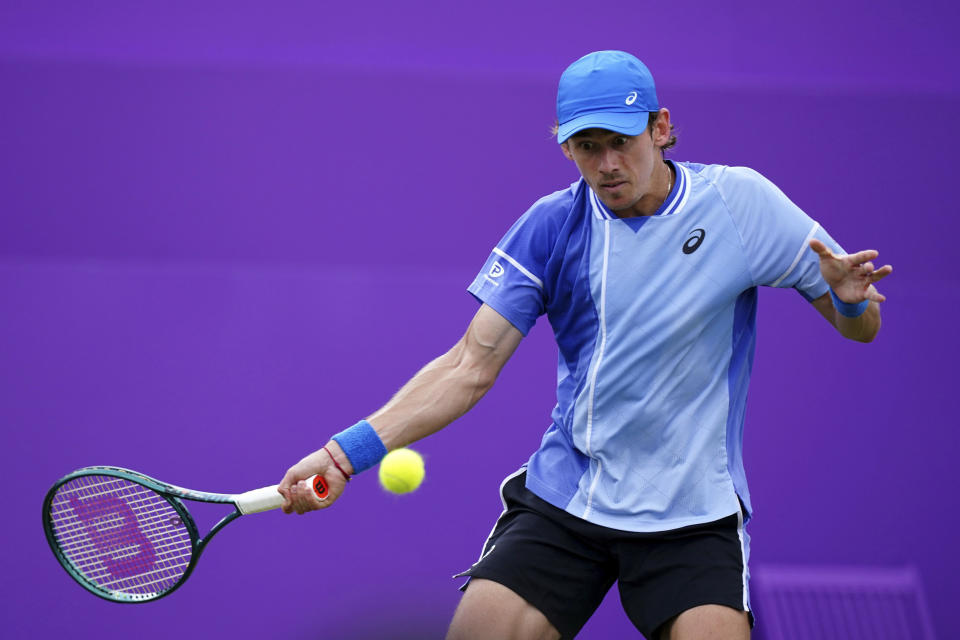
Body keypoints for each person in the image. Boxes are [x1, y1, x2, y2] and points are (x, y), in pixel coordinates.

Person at [277, 50, 892, 640]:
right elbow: (469, 365)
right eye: (586, 148)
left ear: (661, 128)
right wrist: (342, 455)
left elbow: (861, 327)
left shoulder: (740, 203)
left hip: (694, 511)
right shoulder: (551, 226)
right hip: (570, 499)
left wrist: (847, 300)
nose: (606, 165)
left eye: (621, 142)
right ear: (567, 147)